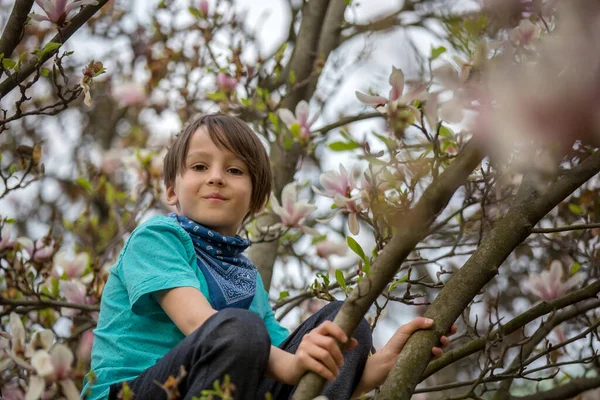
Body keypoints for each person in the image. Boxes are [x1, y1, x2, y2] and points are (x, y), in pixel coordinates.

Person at [82, 114, 455, 400]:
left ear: (257, 199)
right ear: (170, 191)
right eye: (199, 167)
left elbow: (288, 364)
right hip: (133, 391)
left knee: (343, 323)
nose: (216, 177)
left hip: (220, 383)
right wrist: (293, 365)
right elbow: (199, 322)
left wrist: (380, 365)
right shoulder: (158, 238)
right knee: (242, 330)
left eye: (234, 170)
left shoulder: (244, 275)